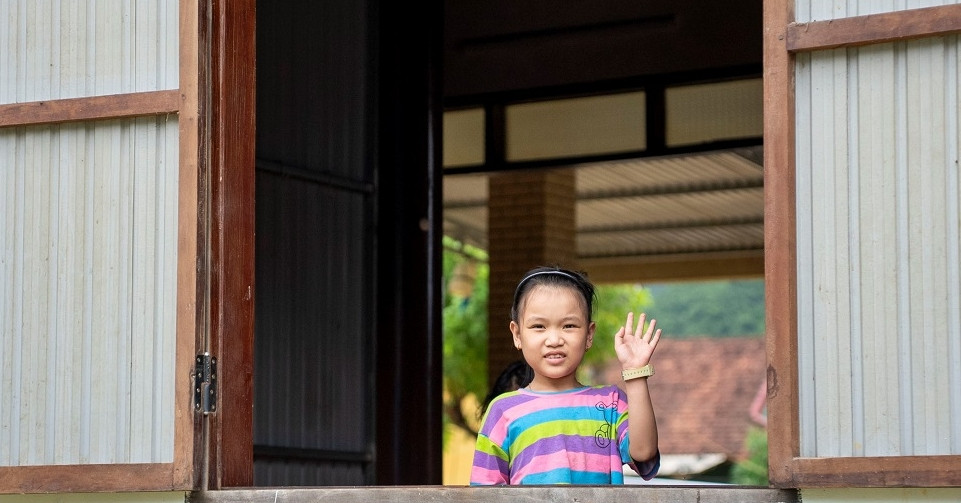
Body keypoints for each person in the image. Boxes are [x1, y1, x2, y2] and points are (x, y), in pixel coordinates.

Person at [470, 265, 662, 485]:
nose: (554, 340)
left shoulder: (610, 403)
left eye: (569, 325)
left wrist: (635, 373)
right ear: (517, 334)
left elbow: (644, 452)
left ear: (589, 335)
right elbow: (484, 493)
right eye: (539, 326)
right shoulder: (501, 411)